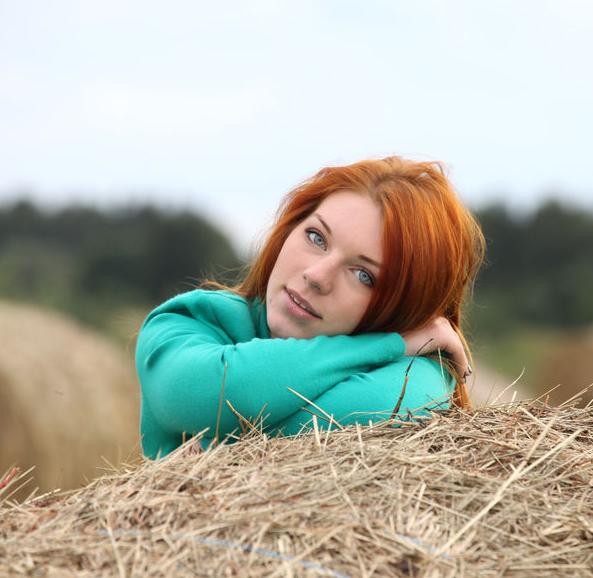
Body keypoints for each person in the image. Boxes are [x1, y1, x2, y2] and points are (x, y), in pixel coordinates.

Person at [135, 156, 485, 459]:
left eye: (364, 274)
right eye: (316, 237)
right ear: (290, 227)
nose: (317, 276)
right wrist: (392, 343)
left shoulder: (419, 379)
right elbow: (196, 395)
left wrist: (215, 436)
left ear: (404, 309)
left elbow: (371, 411)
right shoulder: (187, 322)